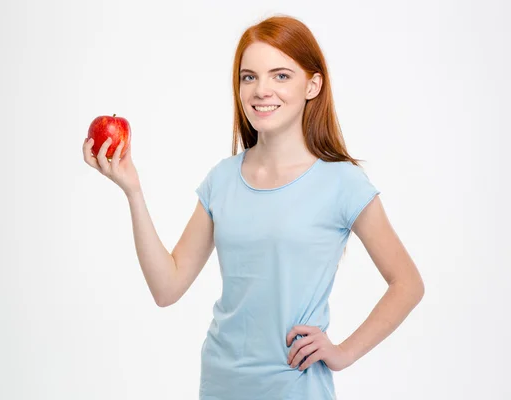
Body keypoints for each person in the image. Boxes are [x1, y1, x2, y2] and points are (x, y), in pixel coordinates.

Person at [82, 14, 424, 400]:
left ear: (312, 85)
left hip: (295, 388)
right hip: (220, 384)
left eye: (280, 76)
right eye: (250, 77)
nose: (262, 90)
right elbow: (167, 287)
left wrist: (342, 353)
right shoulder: (222, 180)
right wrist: (133, 191)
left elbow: (407, 283)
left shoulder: (341, 182)